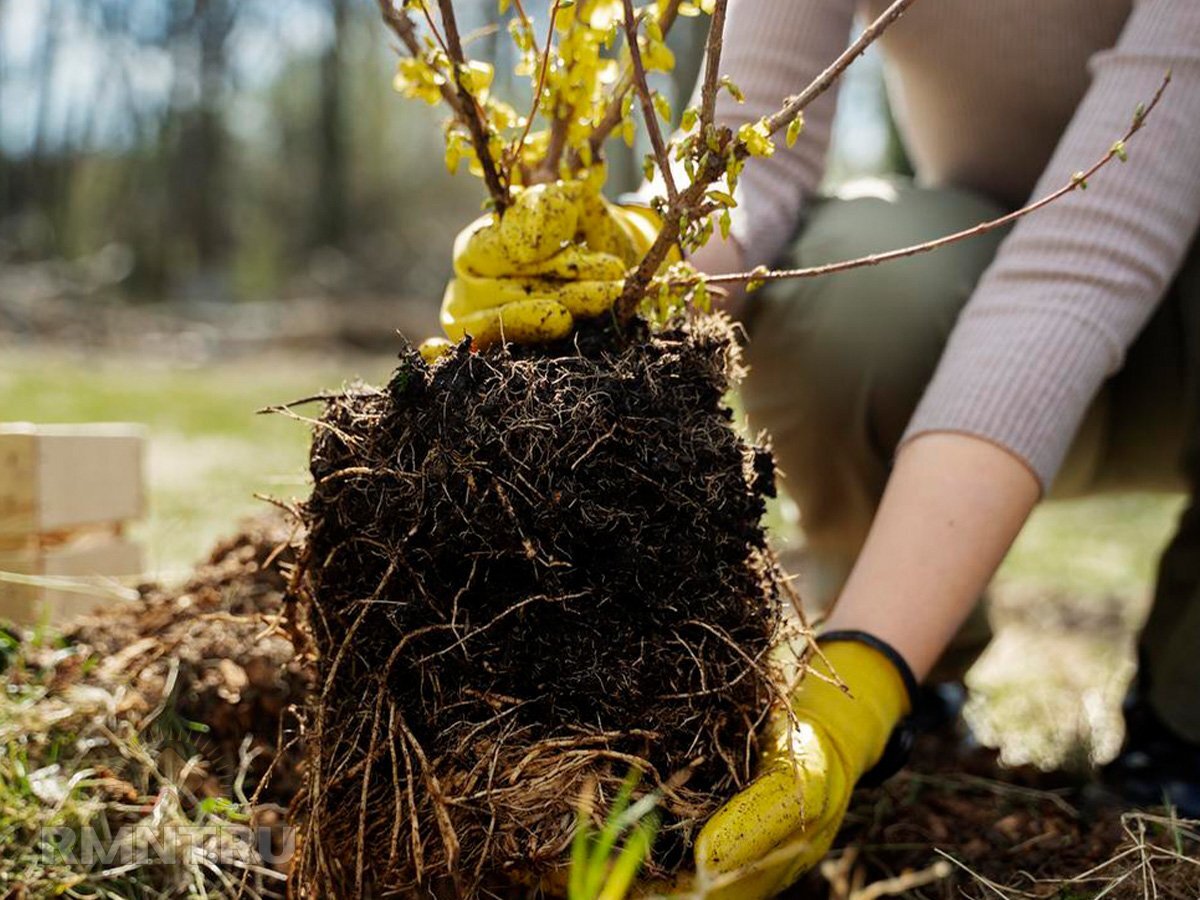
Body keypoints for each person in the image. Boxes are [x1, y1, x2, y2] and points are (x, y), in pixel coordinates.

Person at [437, 1, 1200, 896]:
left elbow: (1089, 260)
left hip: (1170, 337)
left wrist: (858, 678)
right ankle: (928, 676)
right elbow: (748, 151)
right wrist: (646, 253)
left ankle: (1183, 718)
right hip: (986, 272)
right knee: (852, 286)